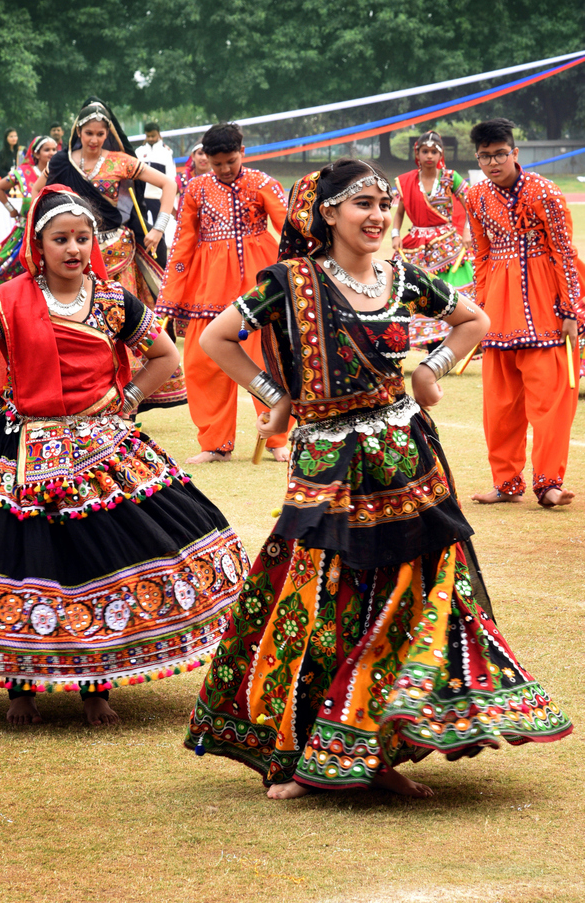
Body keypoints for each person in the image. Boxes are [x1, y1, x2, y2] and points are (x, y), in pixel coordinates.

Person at [184, 159, 573, 798]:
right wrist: (271, 394)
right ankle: (304, 748)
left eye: (384, 203)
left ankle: (377, 746)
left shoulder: (401, 278)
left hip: (405, 458)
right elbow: (219, 339)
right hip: (326, 460)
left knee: (409, 592)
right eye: (362, 203)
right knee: (319, 596)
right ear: (328, 213)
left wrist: (431, 372)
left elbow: (472, 320)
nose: (377, 215)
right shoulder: (291, 282)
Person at [0, 185, 249, 727]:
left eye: (82, 238)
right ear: (38, 244)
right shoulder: (7, 300)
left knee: (102, 558)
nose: (73, 248)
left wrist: (129, 398)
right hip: (25, 446)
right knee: (21, 557)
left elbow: (164, 354)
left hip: (102, 442)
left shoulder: (113, 301)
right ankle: (21, 689)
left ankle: (96, 688)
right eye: (60, 238)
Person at [35, 98, 186, 412]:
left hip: (115, 253)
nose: (93, 139)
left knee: (119, 322)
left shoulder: (120, 161)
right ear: (79, 131)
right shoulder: (62, 162)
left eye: (100, 134)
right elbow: (37, 192)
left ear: (108, 134)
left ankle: (127, 398)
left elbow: (168, 184)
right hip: (71, 253)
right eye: (88, 132)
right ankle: (80, 390)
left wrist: (158, 228)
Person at [465, 118, 584, 508]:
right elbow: (481, 254)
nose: (493, 162)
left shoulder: (544, 192)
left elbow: (565, 253)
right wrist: (479, 307)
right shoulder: (476, 197)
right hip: (498, 312)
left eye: (500, 154)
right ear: (478, 159)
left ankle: (548, 484)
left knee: (551, 401)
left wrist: (570, 309)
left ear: (514, 153)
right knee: (499, 405)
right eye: (485, 156)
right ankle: (506, 483)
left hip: (545, 308)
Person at [156, 122, 291, 463]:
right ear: (205, 159)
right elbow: (183, 243)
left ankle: (278, 439)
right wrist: (171, 296)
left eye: (231, 160)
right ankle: (215, 444)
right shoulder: (196, 190)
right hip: (209, 288)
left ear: (241, 152)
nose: (225, 169)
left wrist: (296, 276)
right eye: (217, 163)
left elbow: (289, 230)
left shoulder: (264, 184)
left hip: (257, 287)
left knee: (268, 360)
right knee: (203, 363)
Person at [392, 131, 473, 350]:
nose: (429, 156)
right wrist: (395, 234)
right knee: (414, 291)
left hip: (447, 244)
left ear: (441, 154)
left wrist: (467, 231)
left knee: (450, 291)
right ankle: (428, 342)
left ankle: (454, 340)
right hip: (416, 243)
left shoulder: (450, 177)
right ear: (417, 154)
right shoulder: (407, 181)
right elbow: (399, 213)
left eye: (433, 152)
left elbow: (470, 206)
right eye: (424, 151)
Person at [0, 136, 59, 294]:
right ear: (36, 154)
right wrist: (11, 209)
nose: (51, 153)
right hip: (24, 232)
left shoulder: (57, 172)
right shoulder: (23, 172)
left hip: (50, 231)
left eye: (54, 150)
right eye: (47, 150)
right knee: (3, 265)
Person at [135, 122, 178, 268]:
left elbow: (171, 176)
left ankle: (161, 263)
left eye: (153, 135)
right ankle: (145, 261)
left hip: (158, 197)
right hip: (142, 197)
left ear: (159, 134)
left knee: (159, 230)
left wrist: (168, 197)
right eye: (148, 136)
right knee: (144, 229)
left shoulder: (167, 152)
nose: (151, 138)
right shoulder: (139, 152)